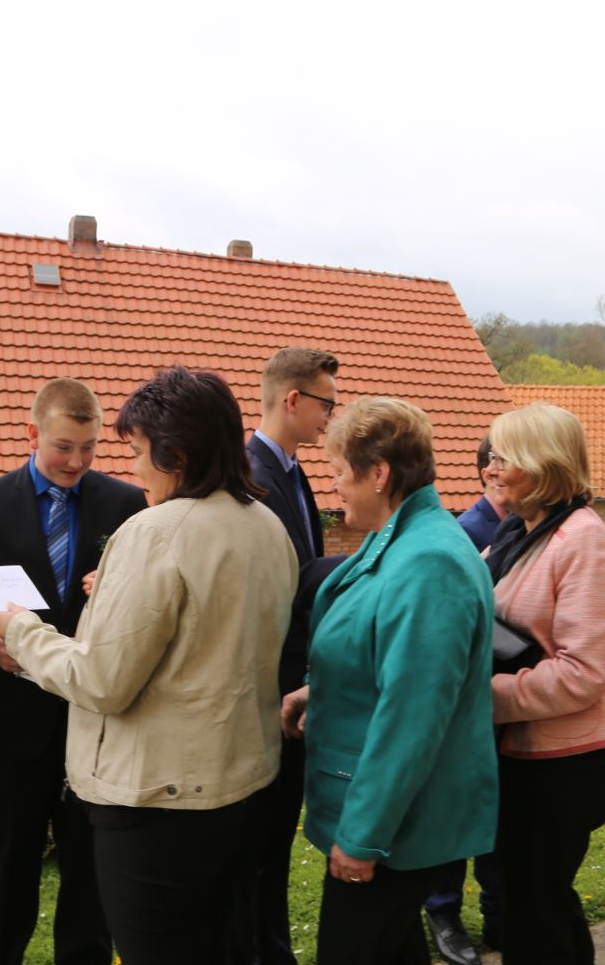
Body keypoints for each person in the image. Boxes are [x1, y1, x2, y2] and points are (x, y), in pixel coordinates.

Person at [0, 366, 298, 965]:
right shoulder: (265, 524)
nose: (132, 468)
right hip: (240, 787)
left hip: (157, 803)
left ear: (175, 454)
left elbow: (101, 680)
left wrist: (21, 630)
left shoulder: (154, 532)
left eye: (136, 452)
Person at [282, 397, 498, 965]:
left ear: (379, 474)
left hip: (397, 829)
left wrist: (363, 838)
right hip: (389, 817)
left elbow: (413, 716)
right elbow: (381, 655)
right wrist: (320, 691)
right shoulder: (398, 534)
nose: (333, 489)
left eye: (338, 474)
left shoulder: (430, 562)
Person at [0, 378, 147, 965]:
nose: (77, 462)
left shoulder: (125, 504)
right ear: (32, 434)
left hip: (94, 718)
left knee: (90, 869)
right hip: (13, 720)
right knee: (13, 865)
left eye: (89, 448)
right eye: (64, 447)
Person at [484, 403, 605, 964]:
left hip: (568, 760)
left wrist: (480, 699)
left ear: (540, 464)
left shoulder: (583, 542)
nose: (491, 468)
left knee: (535, 903)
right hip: (527, 750)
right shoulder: (522, 533)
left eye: (503, 458)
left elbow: (583, 674)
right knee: (533, 898)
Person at [240, 346, 339, 965]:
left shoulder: (294, 470)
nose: (333, 415)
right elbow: (280, 579)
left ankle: (271, 947)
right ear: (293, 399)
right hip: (265, 686)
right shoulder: (250, 475)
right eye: (326, 402)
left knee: (274, 842)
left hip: (296, 679)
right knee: (259, 845)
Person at [425, 432, 511, 965]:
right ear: (483, 473)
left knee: (500, 814)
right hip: (471, 693)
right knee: (454, 810)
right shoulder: (466, 531)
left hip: (513, 701)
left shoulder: (535, 526)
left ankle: (499, 912)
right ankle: (444, 911)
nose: (503, 472)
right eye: (495, 463)